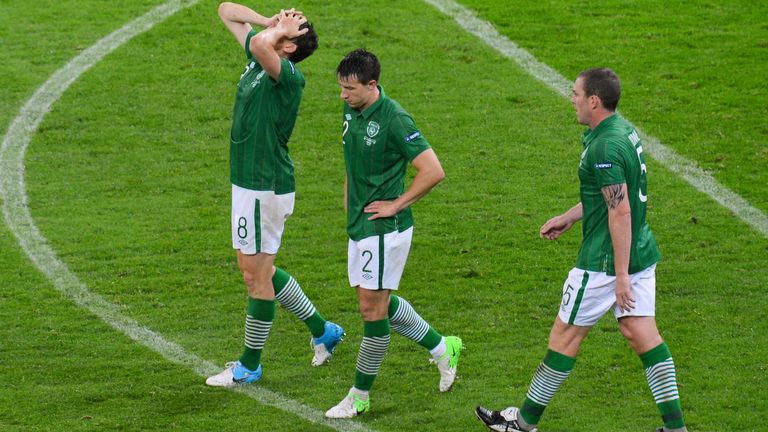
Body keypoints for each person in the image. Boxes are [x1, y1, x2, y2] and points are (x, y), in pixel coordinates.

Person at [476, 68, 687, 432]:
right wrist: (570, 217)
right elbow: (608, 199)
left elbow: (619, 210)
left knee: (564, 337)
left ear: (594, 100)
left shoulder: (604, 146)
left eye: (575, 93)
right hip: (640, 251)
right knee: (643, 336)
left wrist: (619, 276)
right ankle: (675, 428)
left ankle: (523, 425)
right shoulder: (620, 131)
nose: (571, 99)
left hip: (604, 263)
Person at [206, 2, 344, 388]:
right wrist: (270, 22)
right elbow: (226, 11)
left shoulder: (286, 74)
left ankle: (250, 365)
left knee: (255, 278)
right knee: (257, 270)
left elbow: (260, 47)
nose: (286, 14)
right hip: (249, 182)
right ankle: (323, 330)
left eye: (291, 23)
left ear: (289, 48)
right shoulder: (263, 52)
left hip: (262, 186)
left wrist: (277, 31)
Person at [325, 49, 463, 419]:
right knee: (376, 303)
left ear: (372, 85)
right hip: (360, 223)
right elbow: (352, 165)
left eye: (350, 88)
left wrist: (396, 204)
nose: (343, 95)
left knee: (372, 312)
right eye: (340, 87)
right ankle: (441, 347)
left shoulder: (395, 119)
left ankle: (359, 395)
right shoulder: (351, 109)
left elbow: (433, 170)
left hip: (385, 229)